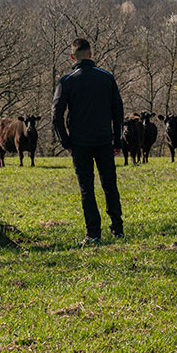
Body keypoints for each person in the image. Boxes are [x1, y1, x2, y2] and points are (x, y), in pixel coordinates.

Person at [51, 38, 125, 244]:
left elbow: (56, 115)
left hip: (80, 142)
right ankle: (117, 228)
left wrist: (65, 142)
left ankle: (93, 232)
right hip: (104, 140)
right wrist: (118, 141)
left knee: (87, 188)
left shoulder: (67, 81)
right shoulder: (107, 78)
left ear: (72, 57)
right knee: (110, 184)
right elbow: (118, 112)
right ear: (91, 55)